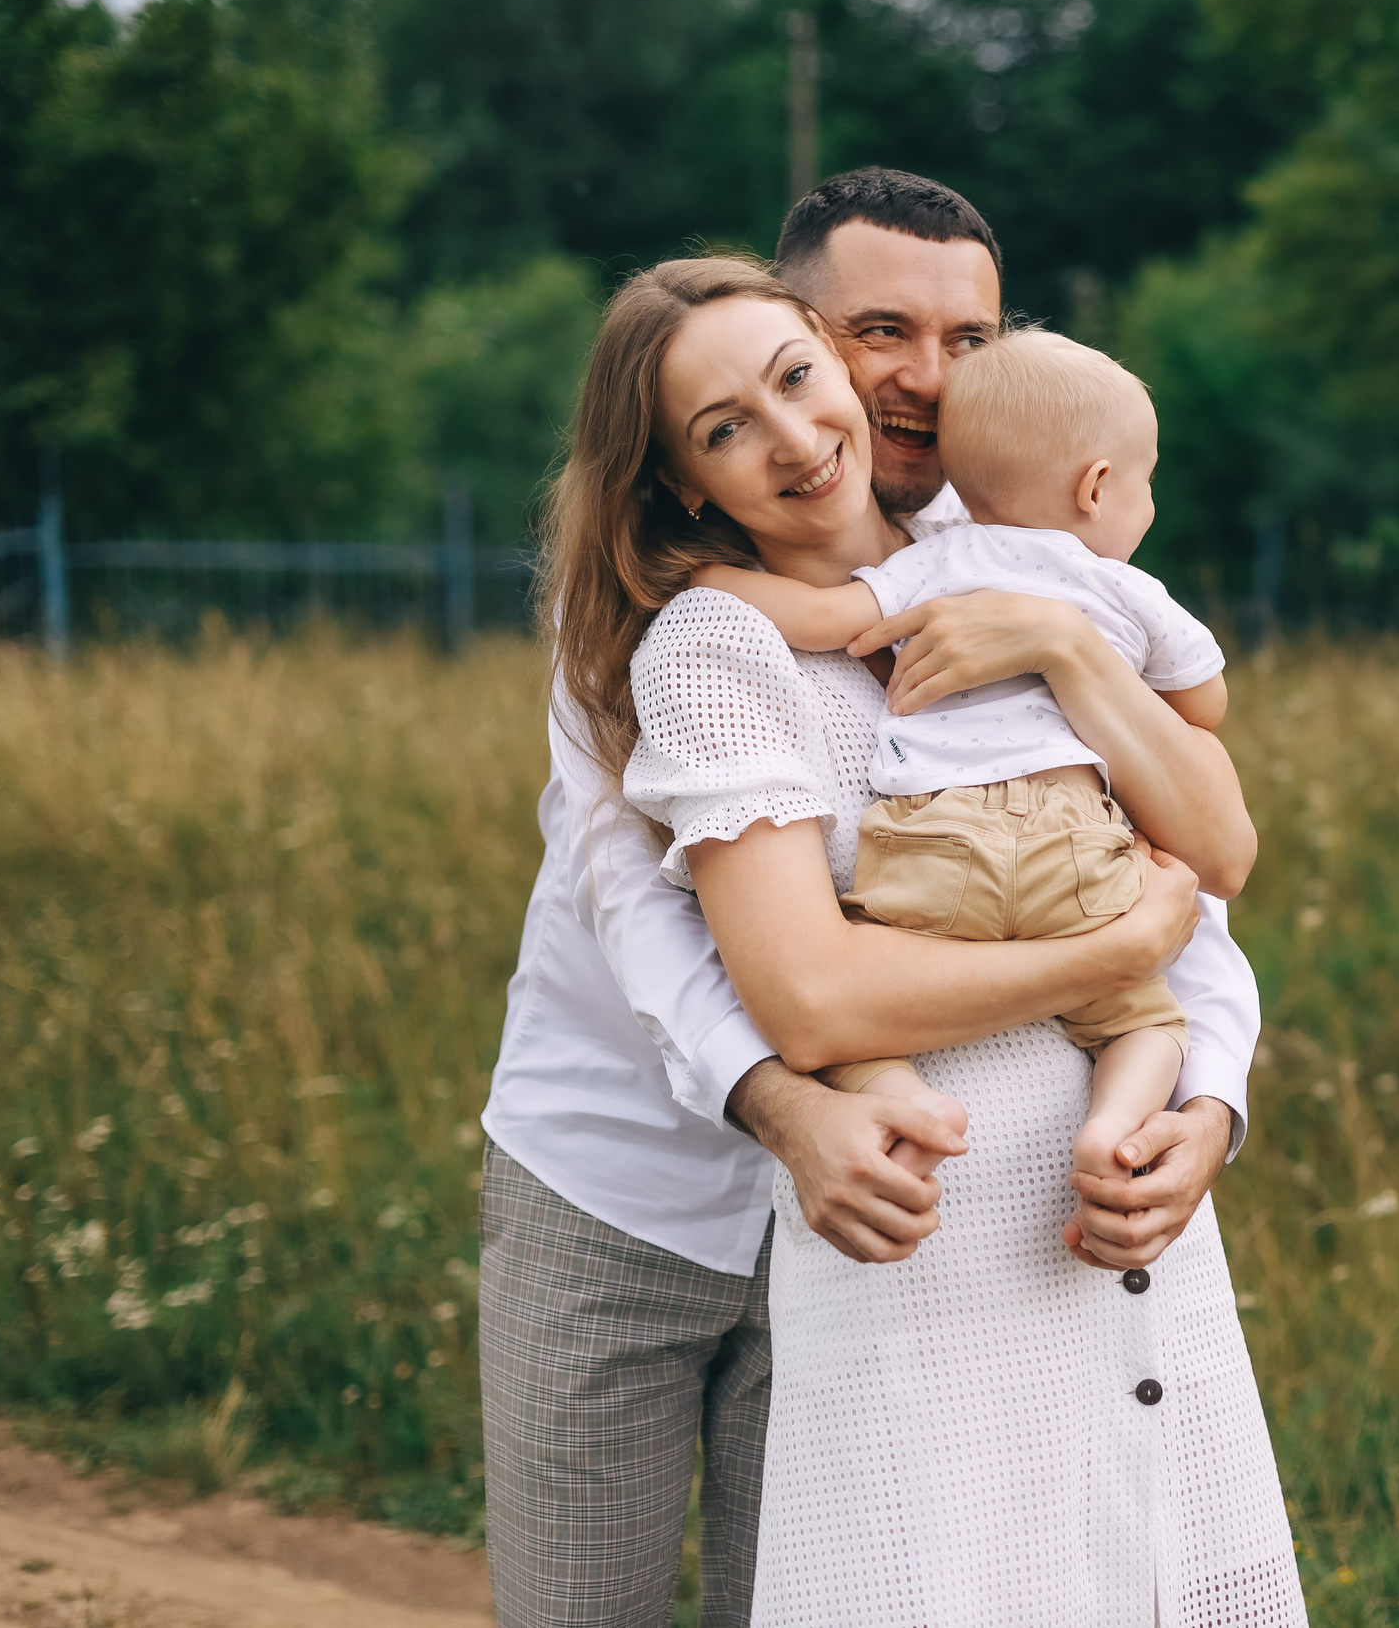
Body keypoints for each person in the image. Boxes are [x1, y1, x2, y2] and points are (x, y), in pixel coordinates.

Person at [474, 169, 1280, 1627]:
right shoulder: (674, 627)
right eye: (880, 330)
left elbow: (1164, 863)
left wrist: (1205, 1090)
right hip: (634, 1177)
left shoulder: (1014, 546)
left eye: (970, 338)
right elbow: (644, 913)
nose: (924, 377)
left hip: (888, 1213)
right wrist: (786, 1100)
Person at [679, 327, 1217, 1187]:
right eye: (1145, 483)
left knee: (858, 976)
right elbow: (1204, 706)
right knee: (1146, 1025)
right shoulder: (1126, 589)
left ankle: (897, 1095)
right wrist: (1101, 668)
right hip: (1070, 848)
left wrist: (703, 583)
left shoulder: (937, 560)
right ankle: (1113, 1127)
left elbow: (828, 622)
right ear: (1097, 486)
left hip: (929, 839)